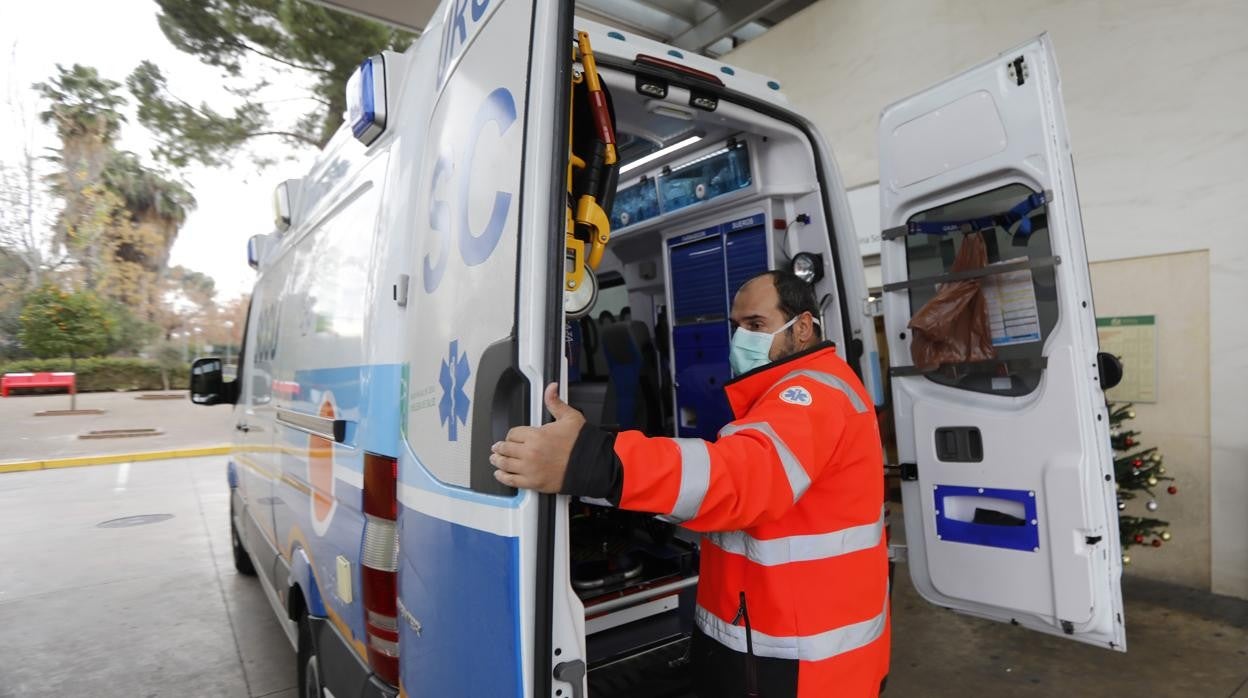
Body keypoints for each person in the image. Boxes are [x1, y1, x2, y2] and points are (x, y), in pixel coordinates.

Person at [491, 270, 890, 697]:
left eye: (756, 325)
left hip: (802, 664)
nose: (741, 339)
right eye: (736, 326)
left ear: (804, 327)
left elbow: (741, 477)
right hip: (773, 638)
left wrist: (592, 462)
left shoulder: (811, 394)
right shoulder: (796, 390)